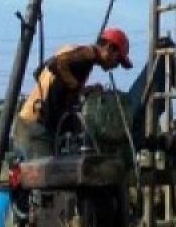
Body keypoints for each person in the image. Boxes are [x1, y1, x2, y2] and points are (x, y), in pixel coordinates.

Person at [14, 27, 133, 159]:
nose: (116, 66)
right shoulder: (89, 54)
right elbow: (57, 64)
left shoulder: (73, 52)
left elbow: (39, 72)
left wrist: (80, 90)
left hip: (31, 123)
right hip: (35, 127)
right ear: (109, 48)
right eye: (118, 60)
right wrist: (78, 88)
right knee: (44, 176)